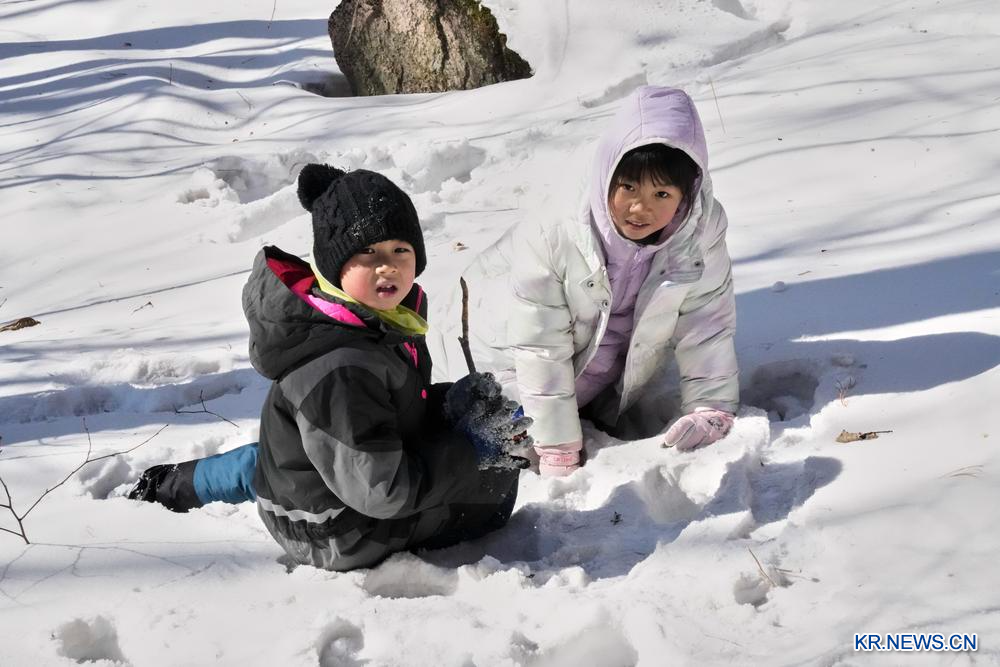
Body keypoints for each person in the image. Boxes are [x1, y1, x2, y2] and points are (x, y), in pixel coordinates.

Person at [129, 164, 531, 572]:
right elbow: (382, 490)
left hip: (310, 485)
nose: (387, 266)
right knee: (494, 485)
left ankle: (175, 484)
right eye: (368, 253)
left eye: (400, 250)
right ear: (334, 265)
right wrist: (470, 452)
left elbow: (384, 411)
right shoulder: (342, 365)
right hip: (338, 533)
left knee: (283, 457)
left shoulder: (368, 323)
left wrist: (446, 403)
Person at [436, 85, 739, 476]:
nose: (640, 207)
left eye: (661, 194)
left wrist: (711, 407)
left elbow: (707, 319)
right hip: (497, 360)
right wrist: (557, 445)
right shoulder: (558, 231)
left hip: (588, 373)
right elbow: (539, 345)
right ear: (607, 175)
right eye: (628, 187)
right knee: (496, 445)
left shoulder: (699, 228)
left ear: (686, 195)